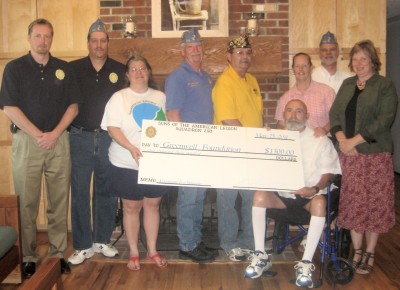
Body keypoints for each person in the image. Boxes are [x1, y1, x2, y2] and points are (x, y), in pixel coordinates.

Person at [0, 18, 81, 278]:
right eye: (38, 36)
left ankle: (57, 255)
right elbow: (9, 108)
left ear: (52, 39)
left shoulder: (64, 69)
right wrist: (39, 135)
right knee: (27, 203)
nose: (43, 41)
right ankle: (29, 257)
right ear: (29, 38)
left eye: (47, 36)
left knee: (59, 201)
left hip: (59, 142)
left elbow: (74, 106)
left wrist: (54, 134)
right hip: (27, 142)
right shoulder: (14, 68)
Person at [245, 99, 341, 288]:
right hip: (282, 197)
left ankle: (305, 264)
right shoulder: (276, 138)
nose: (293, 115)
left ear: (307, 117)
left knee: (320, 202)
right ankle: (261, 255)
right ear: (283, 115)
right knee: (259, 196)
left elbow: (328, 171)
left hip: (308, 198)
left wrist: (313, 189)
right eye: (289, 110)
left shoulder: (319, 140)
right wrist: (262, 139)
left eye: (299, 111)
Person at [329, 39, 398, 275]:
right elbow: (335, 114)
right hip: (350, 155)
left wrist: (352, 141)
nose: (358, 63)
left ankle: (370, 251)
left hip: (375, 154)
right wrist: (341, 139)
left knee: (375, 203)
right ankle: (357, 250)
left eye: (363, 59)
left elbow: (383, 120)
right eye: (355, 59)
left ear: (372, 61)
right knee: (355, 203)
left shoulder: (384, 86)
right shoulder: (347, 84)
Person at [101, 55, 169, 271]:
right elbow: (112, 127)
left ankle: (152, 250)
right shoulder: (119, 97)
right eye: (134, 69)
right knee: (131, 208)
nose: (139, 72)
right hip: (125, 162)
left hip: (155, 163)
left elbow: (167, 127)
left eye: (143, 68)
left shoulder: (160, 97)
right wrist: (131, 148)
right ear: (127, 75)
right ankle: (133, 252)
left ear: (148, 72)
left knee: (153, 205)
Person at [67, 19, 126, 265]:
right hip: (80, 136)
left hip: (107, 139)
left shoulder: (120, 70)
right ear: (88, 43)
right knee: (80, 190)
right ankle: (82, 245)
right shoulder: (74, 69)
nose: (99, 45)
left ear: (107, 44)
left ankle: (102, 239)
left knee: (106, 189)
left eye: (103, 41)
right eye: (95, 41)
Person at [165, 28, 217, 263]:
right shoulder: (177, 77)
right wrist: (183, 148)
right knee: (188, 197)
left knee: (199, 196)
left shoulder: (206, 76)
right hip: (189, 146)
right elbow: (172, 114)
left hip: (206, 146)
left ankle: (195, 240)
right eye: (190, 47)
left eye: (198, 46)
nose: (195, 50)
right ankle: (186, 245)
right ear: (183, 50)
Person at [212, 33, 263, 261]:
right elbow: (229, 120)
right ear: (229, 57)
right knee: (228, 202)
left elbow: (256, 116)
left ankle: (248, 242)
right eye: (239, 53)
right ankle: (230, 243)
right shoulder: (224, 83)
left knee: (251, 199)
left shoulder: (251, 80)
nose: (244, 56)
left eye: (248, 52)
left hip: (251, 152)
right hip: (230, 153)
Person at [275, 52, 336, 137]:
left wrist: (324, 130)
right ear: (293, 70)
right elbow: (280, 125)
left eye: (304, 65)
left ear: (311, 68)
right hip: (296, 145)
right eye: (297, 66)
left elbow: (336, 118)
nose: (300, 69)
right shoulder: (285, 98)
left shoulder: (327, 92)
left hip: (322, 143)